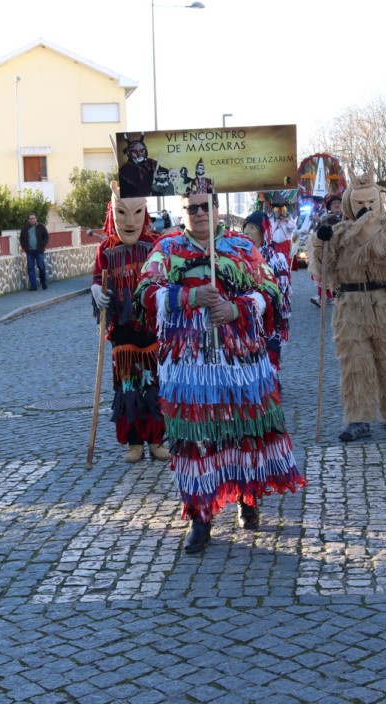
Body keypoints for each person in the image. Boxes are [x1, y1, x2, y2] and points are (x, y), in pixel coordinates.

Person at [135, 188, 305, 554]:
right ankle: (200, 515)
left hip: (241, 360)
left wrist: (237, 309)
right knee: (196, 438)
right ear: (184, 212)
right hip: (190, 368)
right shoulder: (167, 250)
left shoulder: (242, 248)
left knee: (246, 428)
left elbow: (270, 291)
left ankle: (248, 497)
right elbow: (145, 292)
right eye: (191, 208)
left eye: (204, 206)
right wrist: (186, 297)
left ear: (216, 208)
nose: (198, 213)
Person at [312, 171, 386, 442]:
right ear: (349, 204)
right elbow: (324, 269)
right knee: (355, 363)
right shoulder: (338, 233)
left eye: (371, 202)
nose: (366, 208)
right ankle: (358, 418)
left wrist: (369, 227)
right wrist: (320, 244)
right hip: (351, 305)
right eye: (360, 204)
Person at [90, 182, 167, 463]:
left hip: (152, 332)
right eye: (122, 213)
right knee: (128, 389)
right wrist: (96, 290)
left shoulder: (155, 244)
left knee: (156, 388)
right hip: (122, 334)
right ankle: (134, 443)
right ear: (113, 213)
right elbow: (98, 278)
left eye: (137, 212)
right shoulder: (106, 250)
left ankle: (158, 440)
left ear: (145, 212)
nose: (130, 221)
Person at [242, 210, 291, 369]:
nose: (247, 232)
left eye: (252, 228)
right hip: (245, 314)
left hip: (268, 316)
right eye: (246, 227)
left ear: (263, 231)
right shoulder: (240, 253)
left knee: (268, 353)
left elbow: (281, 288)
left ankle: (271, 387)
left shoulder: (275, 255)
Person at [309, 194, 342, 306]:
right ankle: (323, 296)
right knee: (324, 274)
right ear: (330, 207)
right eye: (334, 204)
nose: (337, 205)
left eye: (338, 203)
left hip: (344, 253)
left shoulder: (347, 217)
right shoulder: (325, 219)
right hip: (330, 253)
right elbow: (317, 237)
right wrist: (319, 223)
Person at [19, 213, 49, 291]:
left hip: (39, 250)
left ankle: (43, 283)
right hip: (30, 251)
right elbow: (21, 238)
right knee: (30, 268)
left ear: (36, 219)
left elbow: (46, 236)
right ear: (28, 220)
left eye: (34, 218)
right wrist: (24, 247)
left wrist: (43, 244)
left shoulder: (41, 226)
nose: (32, 220)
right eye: (31, 218)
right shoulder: (25, 228)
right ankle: (34, 286)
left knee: (41, 266)